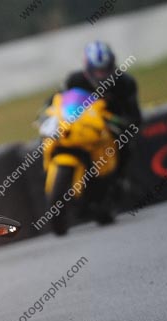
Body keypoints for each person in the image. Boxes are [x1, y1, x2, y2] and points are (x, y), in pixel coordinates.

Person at [61, 41, 143, 221]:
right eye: (97, 71)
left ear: (112, 66)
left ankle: (119, 179)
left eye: (104, 70)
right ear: (88, 68)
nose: (101, 75)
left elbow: (135, 117)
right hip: (82, 127)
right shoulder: (74, 80)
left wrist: (122, 123)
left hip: (111, 130)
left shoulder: (125, 83)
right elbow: (58, 101)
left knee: (125, 144)